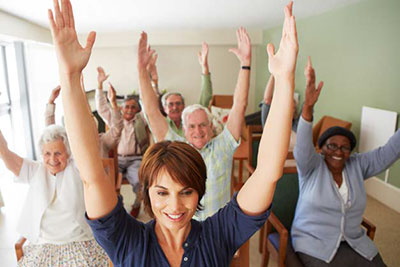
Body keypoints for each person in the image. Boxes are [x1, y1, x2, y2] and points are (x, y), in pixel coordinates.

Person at [48, 0, 298, 265]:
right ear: (146, 192)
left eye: (186, 192)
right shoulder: (126, 240)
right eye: (162, 193)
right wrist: (70, 75)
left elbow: (268, 172)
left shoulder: (218, 235)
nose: (175, 207)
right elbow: (92, 176)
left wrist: (284, 79)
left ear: (200, 191)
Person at [291, 57, 398, 266]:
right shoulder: (311, 167)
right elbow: (302, 145)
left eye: (345, 147)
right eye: (332, 145)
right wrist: (308, 108)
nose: (338, 151)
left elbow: (389, 152)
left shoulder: (357, 164)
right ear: (321, 149)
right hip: (314, 244)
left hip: (354, 242)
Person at [139, 27, 253, 220]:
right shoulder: (175, 146)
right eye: (192, 126)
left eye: (202, 125)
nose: (198, 131)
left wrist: (246, 64)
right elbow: (151, 111)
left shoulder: (223, 146)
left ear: (211, 126)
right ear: (184, 129)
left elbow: (239, 105)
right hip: (184, 229)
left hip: (217, 230)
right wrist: (142, 71)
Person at [0, 126, 108, 266]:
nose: (52, 159)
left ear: (68, 153)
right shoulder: (35, 170)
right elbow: (5, 153)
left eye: (58, 153)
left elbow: (90, 140)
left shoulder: (77, 167)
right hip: (44, 245)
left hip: (79, 241)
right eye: (47, 153)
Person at [96, 68, 150, 218]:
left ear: (137, 109)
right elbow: (101, 107)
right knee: (111, 184)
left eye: (133, 107)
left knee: (140, 182)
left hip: (135, 160)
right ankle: (117, 210)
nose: (130, 109)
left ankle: (137, 204)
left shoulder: (141, 120)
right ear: (121, 108)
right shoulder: (115, 119)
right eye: (127, 106)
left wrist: (145, 80)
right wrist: (100, 85)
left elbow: (148, 105)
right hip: (117, 159)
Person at [152, 41, 214, 137]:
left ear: (184, 105)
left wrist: (205, 68)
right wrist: (153, 81)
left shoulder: (191, 120)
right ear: (164, 108)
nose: (175, 107)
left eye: (178, 103)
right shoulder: (161, 124)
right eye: (171, 104)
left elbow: (205, 98)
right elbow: (149, 107)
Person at [45, 84, 123, 157]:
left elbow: (117, 128)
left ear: (96, 127)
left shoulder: (102, 141)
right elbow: (51, 132)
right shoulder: (70, 144)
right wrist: (51, 102)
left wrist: (114, 103)